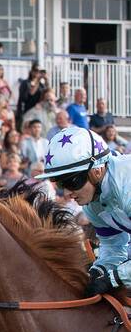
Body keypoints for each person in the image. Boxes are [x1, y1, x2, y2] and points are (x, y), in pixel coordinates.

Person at [43, 126, 131, 297]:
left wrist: (114, 278)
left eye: (72, 182)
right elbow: (113, 245)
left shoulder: (126, 182)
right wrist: (98, 271)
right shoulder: (92, 204)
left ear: (96, 171)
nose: (67, 194)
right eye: (61, 184)